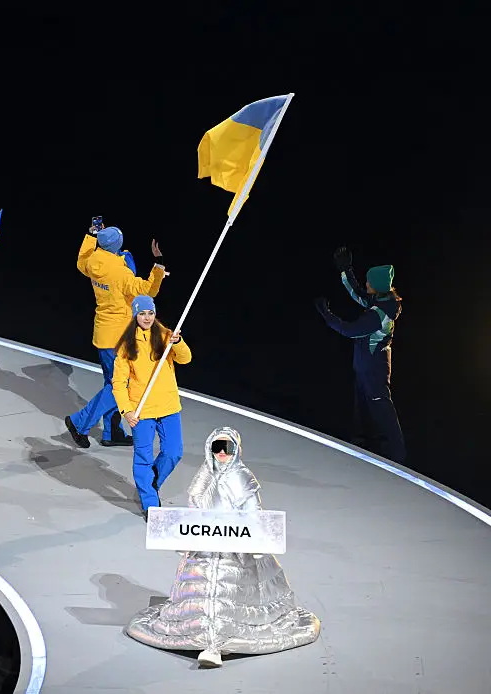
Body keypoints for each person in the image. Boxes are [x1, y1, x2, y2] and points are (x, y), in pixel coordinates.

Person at [126, 427, 321, 668]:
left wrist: (255, 542)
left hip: (236, 551)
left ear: (236, 451)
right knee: (202, 595)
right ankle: (209, 640)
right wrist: (184, 538)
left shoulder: (242, 477)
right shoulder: (203, 476)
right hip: (205, 549)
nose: (221, 453)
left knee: (226, 596)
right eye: (216, 448)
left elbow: (253, 514)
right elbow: (194, 513)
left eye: (226, 448)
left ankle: (215, 644)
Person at [66, 225, 167, 448]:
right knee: (118, 387)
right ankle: (79, 422)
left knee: (111, 384)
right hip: (118, 338)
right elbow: (147, 290)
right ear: (117, 245)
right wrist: (158, 264)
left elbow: (81, 261)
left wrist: (90, 236)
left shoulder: (93, 262)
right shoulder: (119, 271)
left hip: (103, 332)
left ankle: (112, 432)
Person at [314, 246, 405, 462]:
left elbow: (349, 330)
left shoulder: (379, 314)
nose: (366, 284)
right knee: (363, 412)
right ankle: (363, 448)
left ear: (379, 286)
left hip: (374, 371)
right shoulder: (381, 301)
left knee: (383, 413)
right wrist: (346, 271)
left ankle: (398, 459)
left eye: (369, 281)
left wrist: (326, 314)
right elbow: (358, 294)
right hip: (367, 368)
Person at [112, 296, 190, 514]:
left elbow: (186, 359)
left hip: (168, 407)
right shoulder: (127, 345)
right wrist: (126, 411)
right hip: (141, 410)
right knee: (143, 459)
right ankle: (150, 504)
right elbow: (118, 384)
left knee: (173, 452)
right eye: (142, 313)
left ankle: (150, 483)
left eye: (150, 313)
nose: (147, 318)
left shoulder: (166, 335)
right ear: (135, 315)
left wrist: (178, 343)